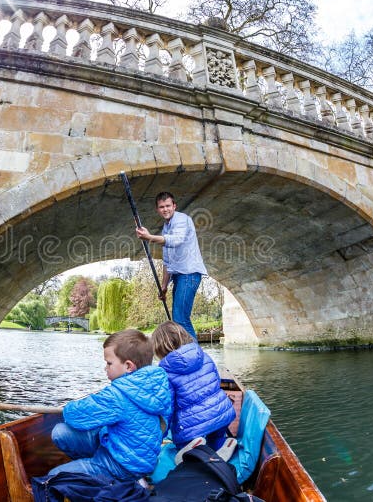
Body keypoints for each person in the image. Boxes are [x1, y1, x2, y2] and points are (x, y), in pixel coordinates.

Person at [48, 329, 172, 482]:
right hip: (140, 460)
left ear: (128, 366)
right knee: (61, 432)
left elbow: (73, 415)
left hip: (120, 466)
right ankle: (92, 468)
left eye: (109, 363)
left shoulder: (117, 395)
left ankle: (101, 473)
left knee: (52, 478)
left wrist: (69, 407)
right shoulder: (159, 387)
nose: (105, 368)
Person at [152, 320, 236, 462]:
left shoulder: (164, 372)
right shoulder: (205, 356)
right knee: (216, 436)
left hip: (193, 427)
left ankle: (191, 452)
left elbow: (168, 409)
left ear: (159, 348)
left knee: (182, 443)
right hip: (222, 414)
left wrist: (160, 435)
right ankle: (220, 445)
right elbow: (216, 383)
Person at [136, 191, 207, 340]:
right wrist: (163, 287)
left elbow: (176, 240)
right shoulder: (166, 228)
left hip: (189, 274)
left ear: (174, 206)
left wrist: (149, 237)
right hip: (179, 276)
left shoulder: (182, 220)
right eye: (161, 207)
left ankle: (195, 356)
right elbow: (167, 262)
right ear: (157, 209)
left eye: (168, 205)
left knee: (181, 319)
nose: (165, 209)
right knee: (177, 320)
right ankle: (188, 355)